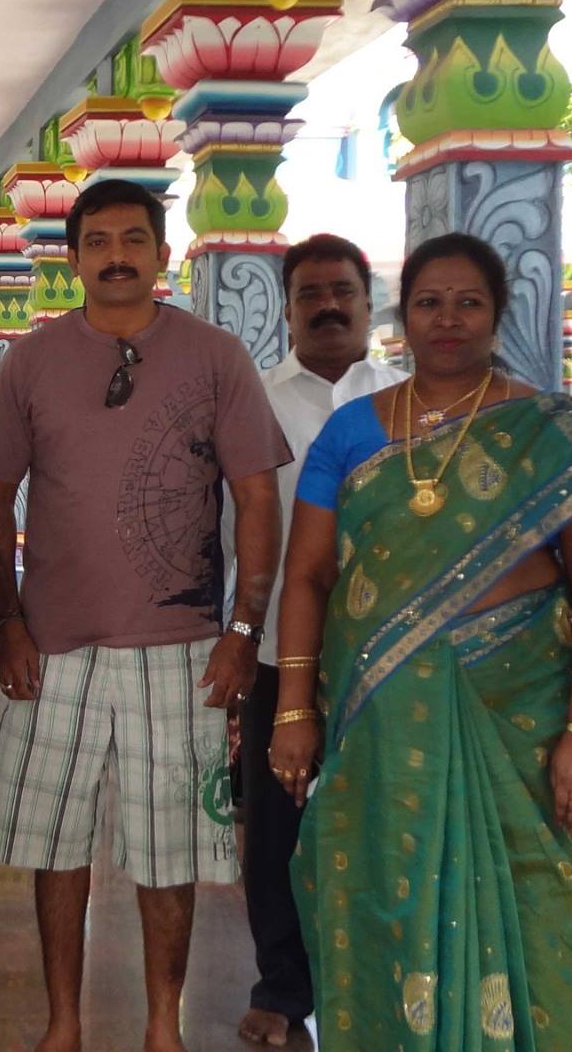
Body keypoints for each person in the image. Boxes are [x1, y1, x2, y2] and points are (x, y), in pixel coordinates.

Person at [269, 232, 572, 1052]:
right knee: (382, 905)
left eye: (468, 303)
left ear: (499, 315)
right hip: (380, 730)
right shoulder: (352, 433)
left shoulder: (554, 437)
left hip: (521, 726)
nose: (448, 319)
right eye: (429, 303)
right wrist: (293, 708)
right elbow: (309, 575)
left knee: (533, 913)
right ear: (403, 317)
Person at [0, 178, 291, 1052]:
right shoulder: (32, 361)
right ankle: (63, 1024)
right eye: (98, 241)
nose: (116, 256)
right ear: (72, 258)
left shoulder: (216, 357)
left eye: (133, 239)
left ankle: (161, 1027)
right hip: (53, 646)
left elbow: (257, 499)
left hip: (183, 649)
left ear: (162, 254)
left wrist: (244, 631)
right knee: (54, 843)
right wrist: (8, 621)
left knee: (169, 850)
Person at [232, 234, 405, 1047]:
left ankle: (387, 982)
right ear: (288, 307)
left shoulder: (411, 400)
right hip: (276, 652)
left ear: (370, 304)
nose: (328, 306)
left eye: (343, 292)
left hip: (393, 658)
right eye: (310, 294)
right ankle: (283, 987)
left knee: (388, 818)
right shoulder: (251, 403)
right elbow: (227, 526)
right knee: (278, 827)